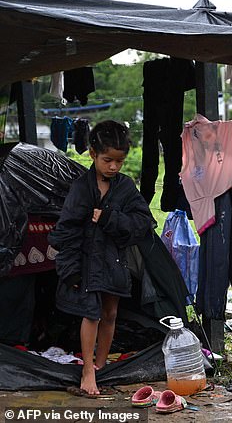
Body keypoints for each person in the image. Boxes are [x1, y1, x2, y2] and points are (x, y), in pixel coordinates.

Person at [49, 120, 154, 395]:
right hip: (86, 263)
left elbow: (143, 222)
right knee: (91, 314)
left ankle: (100, 365)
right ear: (93, 154)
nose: (114, 167)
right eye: (108, 160)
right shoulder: (81, 189)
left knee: (110, 313)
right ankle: (86, 372)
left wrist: (110, 218)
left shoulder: (126, 188)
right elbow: (66, 231)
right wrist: (68, 269)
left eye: (119, 161)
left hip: (115, 262)